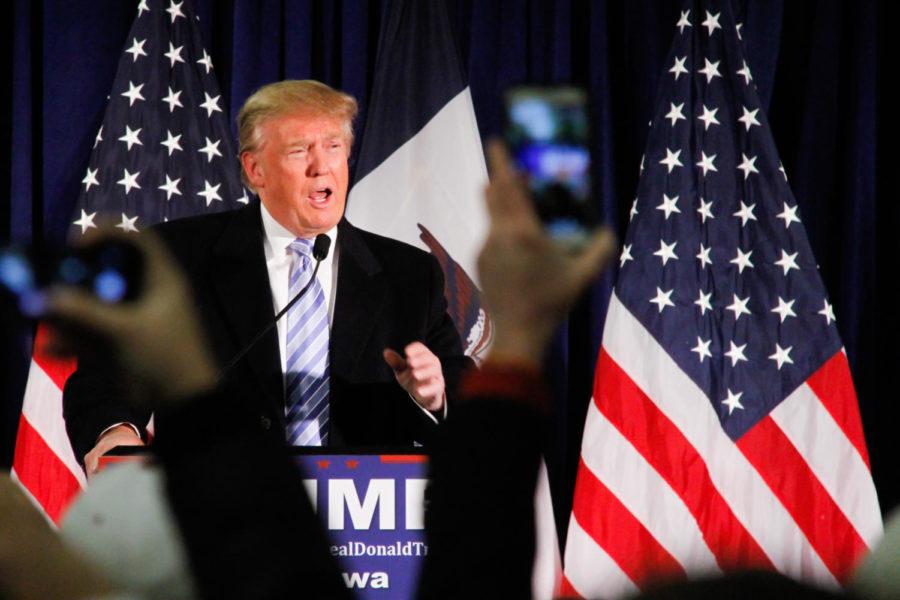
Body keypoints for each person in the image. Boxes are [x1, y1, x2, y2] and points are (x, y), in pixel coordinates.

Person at [63, 80, 472, 473]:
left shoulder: (409, 274)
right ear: (255, 169)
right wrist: (115, 431)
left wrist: (434, 398)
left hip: (365, 522)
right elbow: (107, 372)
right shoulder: (178, 257)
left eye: (333, 147)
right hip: (220, 513)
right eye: (299, 151)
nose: (320, 167)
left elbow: (458, 387)